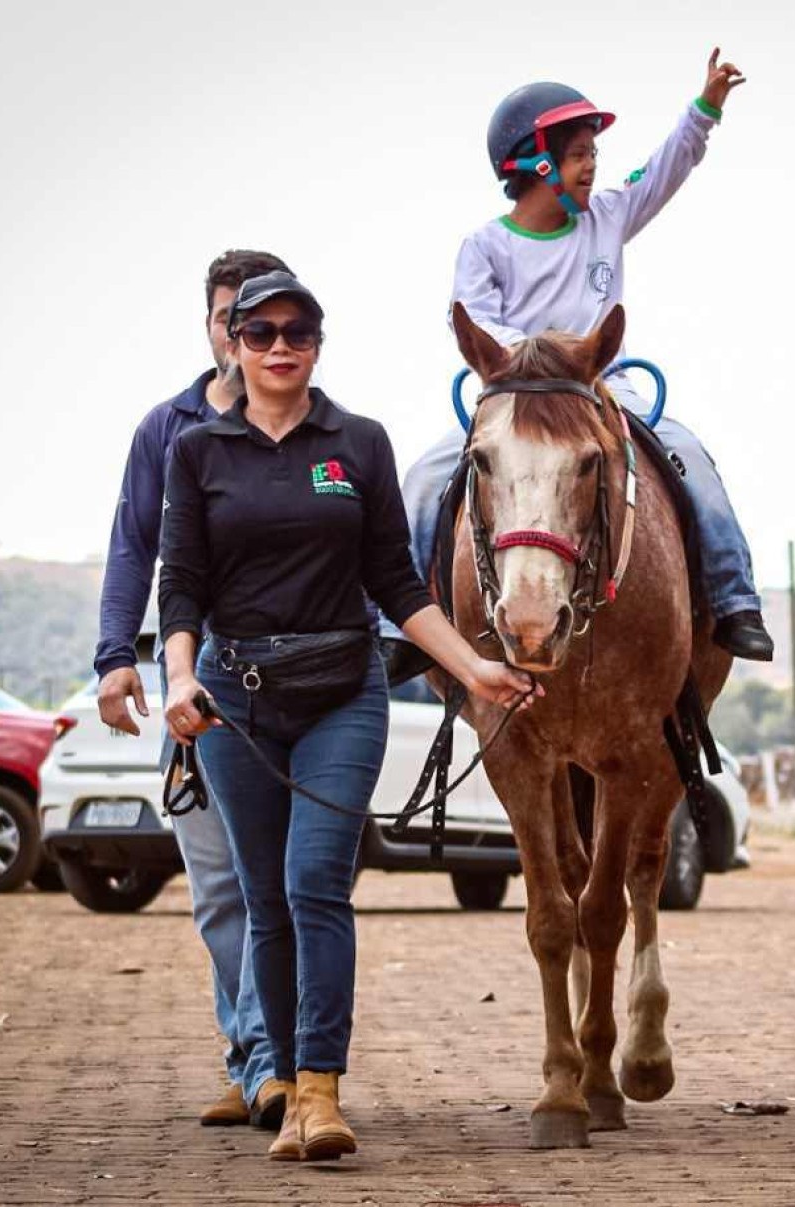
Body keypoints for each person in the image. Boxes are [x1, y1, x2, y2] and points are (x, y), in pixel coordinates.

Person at [158, 271, 537, 1161]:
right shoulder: (199, 451)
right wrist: (179, 680)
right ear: (233, 344)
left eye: (298, 330)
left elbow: (395, 584)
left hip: (342, 692)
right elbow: (179, 582)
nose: (280, 345)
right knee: (264, 900)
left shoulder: (358, 442)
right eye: (260, 332)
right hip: (235, 703)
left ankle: (321, 1094)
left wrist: (476, 667)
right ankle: (282, 1080)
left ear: (318, 343)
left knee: (314, 881)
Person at [382, 49, 773, 683]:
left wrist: (705, 110)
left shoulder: (608, 217)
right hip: (513, 399)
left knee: (689, 457)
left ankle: (733, 600)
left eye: (593, 153)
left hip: (599, 390)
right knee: (424, 480)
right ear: (538, 163)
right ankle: (394, 628)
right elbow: (477, 323)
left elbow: (663, 172)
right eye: (580, 153)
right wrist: (539, 358)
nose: (593, 165)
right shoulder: (485, 246)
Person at [92, 248, 290, 1132]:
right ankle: (255, 1058)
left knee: (278, 883)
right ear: (214, 325)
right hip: (193, 684)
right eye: (230, 315)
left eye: (264, 316)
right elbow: (135, 546)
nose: (244, 331)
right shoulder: (165, 429)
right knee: (218, 885)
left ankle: (268, 1060)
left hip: (292, 686)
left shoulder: (312, 426)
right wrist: (114, 656)